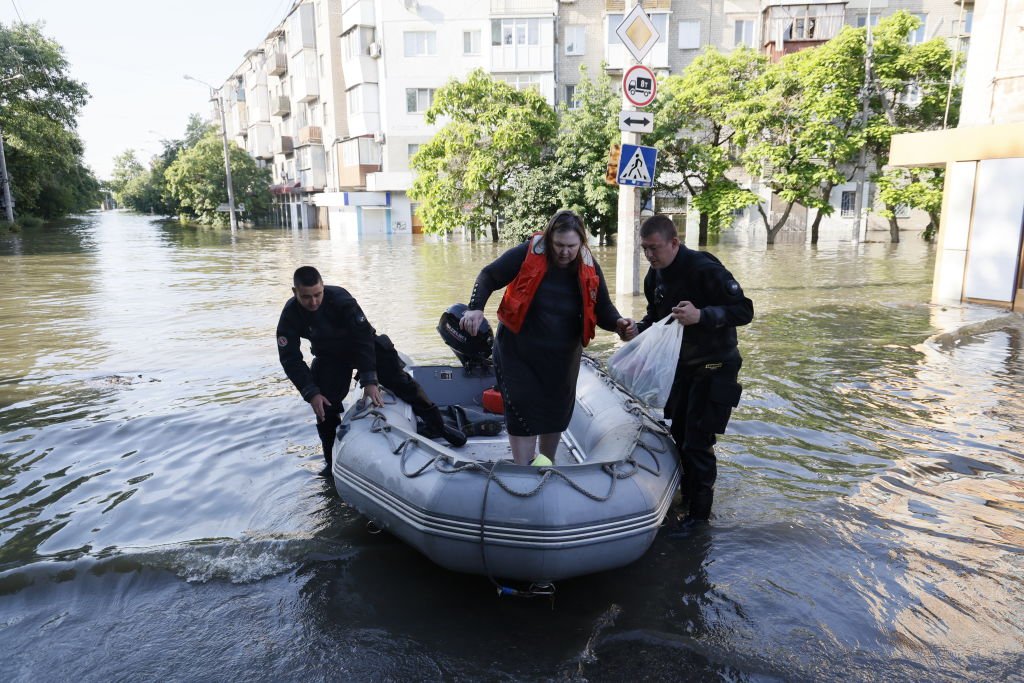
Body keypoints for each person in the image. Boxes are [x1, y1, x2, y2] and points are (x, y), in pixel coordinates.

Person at [460, 210, 632, 466]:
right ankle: (523, 467)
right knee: (522, 408)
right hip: (518, 350)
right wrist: (475, 307)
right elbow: (489, 276)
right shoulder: (528, 252)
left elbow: (602, 308)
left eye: (571, 246)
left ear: (582, 243)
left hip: (563, 354)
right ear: (550, 238)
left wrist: (619, 324)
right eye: (559, 245)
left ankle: (546, 464)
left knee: (556, 411)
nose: (564, 252)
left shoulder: (588, 264)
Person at [622, 215, 753, 526]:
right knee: (679, 436)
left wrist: (702, 315)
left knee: (697, 442)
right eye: (644, 249)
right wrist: (635, 330)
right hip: (680, 369)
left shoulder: (704, 268)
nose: (650, 256)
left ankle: (699, 521)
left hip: (716, 365)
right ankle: (686, 499)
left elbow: (744, 310)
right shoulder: (654, 277)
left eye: (655, 248)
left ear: (674, 243)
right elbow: (655, 320)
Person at [277, 266, 465, 475]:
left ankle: (439, 426)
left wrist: (370, 380)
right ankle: (331, 463)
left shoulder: (339, 298)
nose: (313, 302)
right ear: (295, 292)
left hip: (362, 347)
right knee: (324, 408)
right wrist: (311, 392)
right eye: (306, 297)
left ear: (323, 287)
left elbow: (364, 337)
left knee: (402, 383)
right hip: (330, 356)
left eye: (317, 295)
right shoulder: (290, 314)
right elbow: (290, 358)